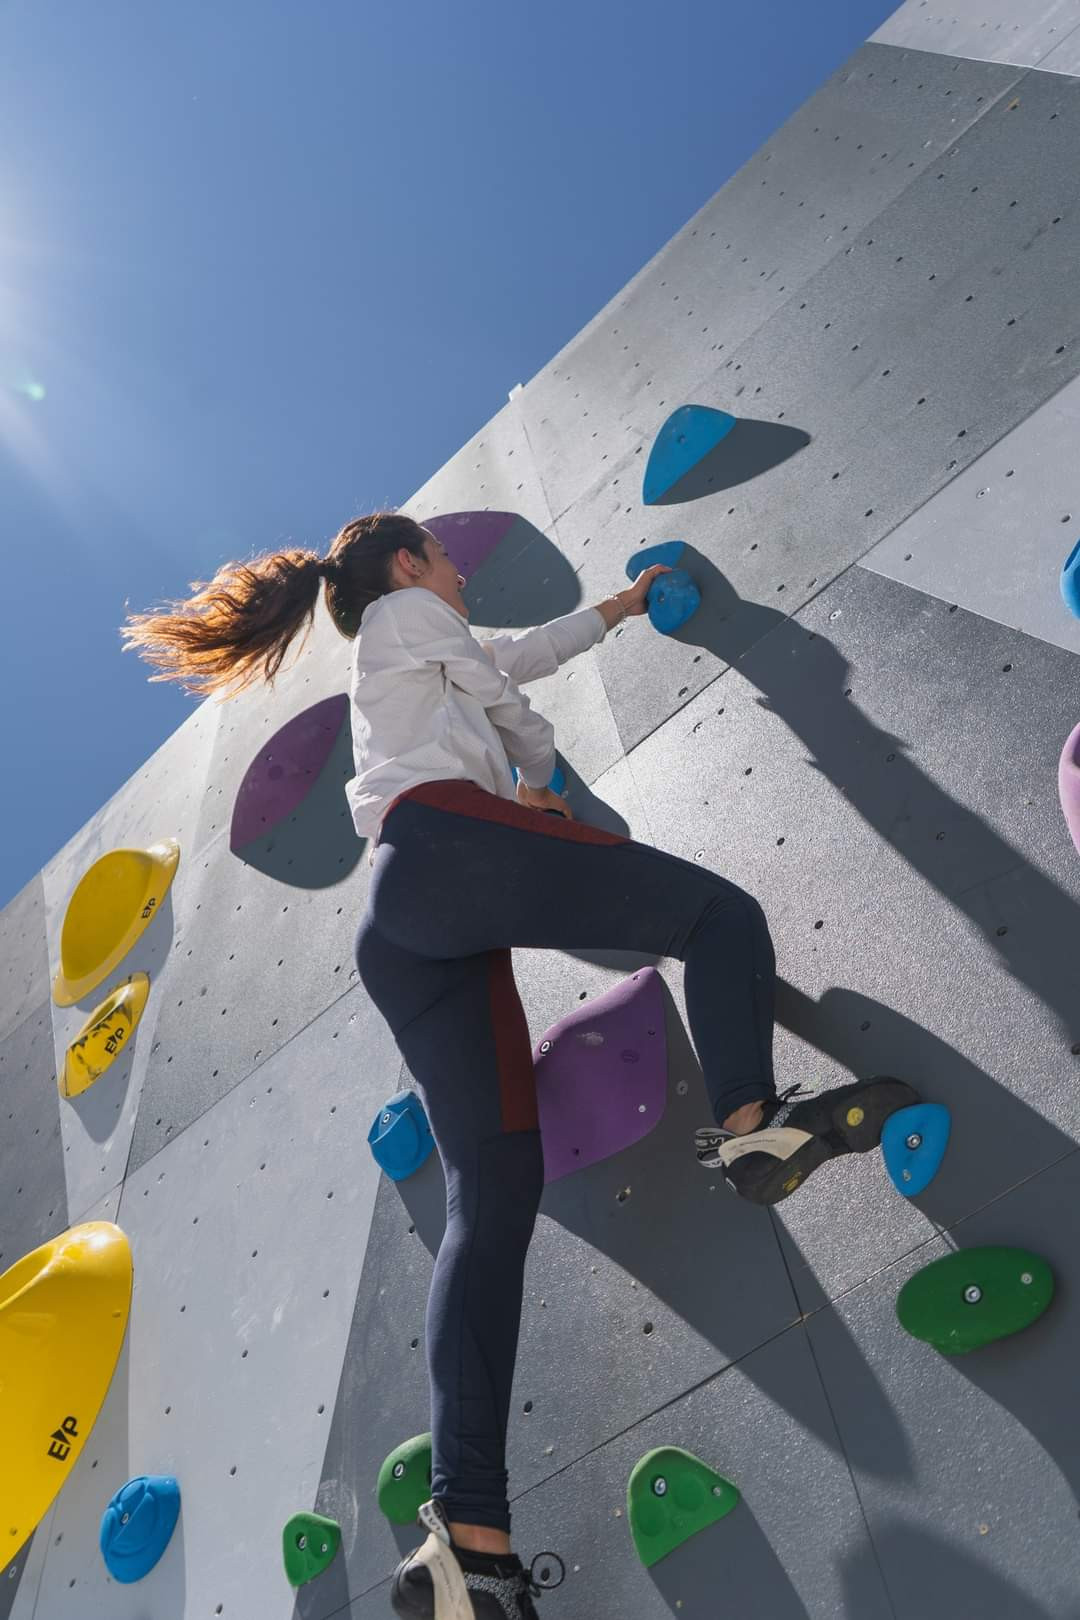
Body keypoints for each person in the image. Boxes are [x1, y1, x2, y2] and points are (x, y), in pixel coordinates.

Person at [121, 511, 917, 1620]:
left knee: (490, 1203)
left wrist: (620, 610)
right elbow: (510, 696)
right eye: (446, 559)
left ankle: (469, 1547)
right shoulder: (406, 617)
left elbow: (511, 655)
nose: (456, 574)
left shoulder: (404, 653)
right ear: (407, 566)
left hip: (404, 917)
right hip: (452, 848)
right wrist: (539, 782)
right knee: (715, 917)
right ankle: (748, 1123)